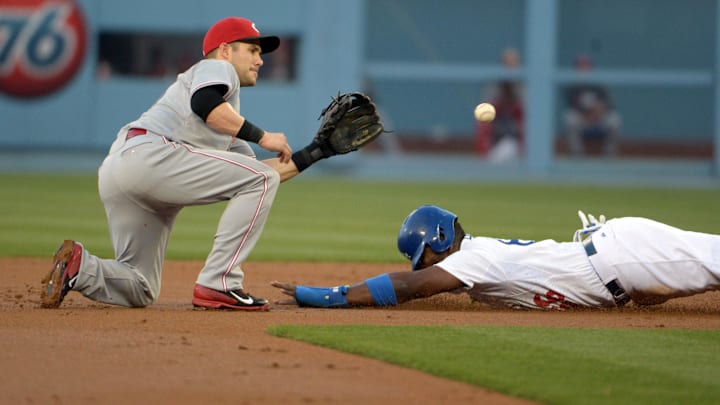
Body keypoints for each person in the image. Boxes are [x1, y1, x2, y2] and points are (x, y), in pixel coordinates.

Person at [41, 17, 376, 311]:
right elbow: (205, 103)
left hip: (123, 171)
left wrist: (317, 152)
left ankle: (80, 266)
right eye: (253, 50)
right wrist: (263, 137)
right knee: (257, 179)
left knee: (140, 287)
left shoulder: (225, 125)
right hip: (150, 156)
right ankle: (220, 284)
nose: (260, 60)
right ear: (226, 49)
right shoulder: (215, 69)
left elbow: (263, 176)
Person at [272, 205, 720, 310]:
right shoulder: (477, 260)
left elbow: (408, 288)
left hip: (625, 257)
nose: (423, 265)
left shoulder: (472, 259)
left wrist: (327, 296)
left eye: (423, 254)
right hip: (620, 262)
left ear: (442, 238)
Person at [563, 55, 621, 157]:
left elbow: (608, 104)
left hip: (599, 118)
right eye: (581, 67)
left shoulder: (598, 84)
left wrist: (599, 112)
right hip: (583, 119)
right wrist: (588, 114)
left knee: (615, 120)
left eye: (586, 66)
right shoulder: (572, 86)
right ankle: (577, 154)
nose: (583, 69)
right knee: (569, 118)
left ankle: (609, 154)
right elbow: (573, 106)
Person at [475, 48, 524, 162]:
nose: (510, 67)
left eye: (513, 63)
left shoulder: (522, 87)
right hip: (496, 137)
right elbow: (485, 113)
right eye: (507, 63)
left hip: (516, 138)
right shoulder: (495, 86)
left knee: (509, 146)